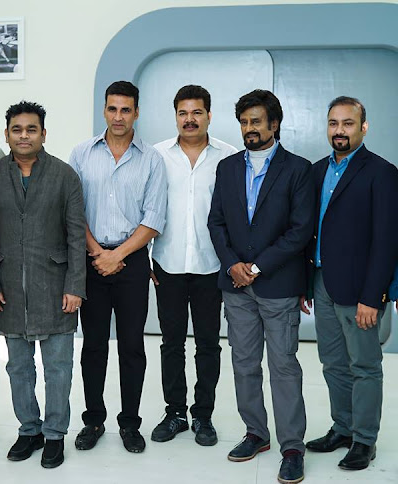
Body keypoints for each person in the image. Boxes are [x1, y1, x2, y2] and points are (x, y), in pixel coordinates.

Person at [0, 101, 85, 469]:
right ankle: (29, 429)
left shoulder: (65, 175)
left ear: (43, 134)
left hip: (56, 287)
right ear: (7, 135)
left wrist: (75, 286)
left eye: (31, 129)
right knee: (18, 368)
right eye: (17, 130)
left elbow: (76, 237)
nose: (24, 136)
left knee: (58, 369)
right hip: (7, 289)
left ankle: (54, 434)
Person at [208, 89, 313, 484]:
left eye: (256, 121)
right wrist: (232, 264)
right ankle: (256, 433)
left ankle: (292, 447)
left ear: (274, 124)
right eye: (244, 122)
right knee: (244, 363)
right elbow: (216, 222)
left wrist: (255, 266)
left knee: (283, 366)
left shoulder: (298, 169)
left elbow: (300, 230)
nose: (249, 128)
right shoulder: (227, 167)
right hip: (236, 287)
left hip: (278, 285)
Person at [70, 81, 167, 454]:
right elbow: (73, 211)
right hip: (91, 259)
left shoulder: (151, 159)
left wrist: (118, 255)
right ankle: (93, 420)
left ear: (136, 112)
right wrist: (98, 253)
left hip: (133, 260)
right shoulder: (81, 154)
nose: (119, 116)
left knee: (132, 346)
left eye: (126, 109)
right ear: (104, 110)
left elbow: (153, 218)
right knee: (93, 346)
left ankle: (130, 424)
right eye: (112, 109)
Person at [302, 96, 398, 471]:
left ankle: (364, 439)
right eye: (333, 123)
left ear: (363, 127)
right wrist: (305, 285)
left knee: (365, 366)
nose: (339, 130)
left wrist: (373, 296)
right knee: (333, 363)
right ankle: (342, 428)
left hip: (360, 291)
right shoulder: (316, 172)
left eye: (347, 123)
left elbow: (387, 240)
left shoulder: (382, 172)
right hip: (322, 281)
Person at [151, 85, 237, 446]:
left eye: (197, 112)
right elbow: (146, 208)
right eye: (183, 113)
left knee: (208, 344)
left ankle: (203, 415)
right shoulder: (157, 155)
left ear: (209, 116)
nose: (190, 119)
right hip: (167, 264)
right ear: (175, 116)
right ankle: (175, 413)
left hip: (210, 266)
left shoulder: (228, 157)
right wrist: (145, 257)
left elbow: (235, 215)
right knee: (171, 343)